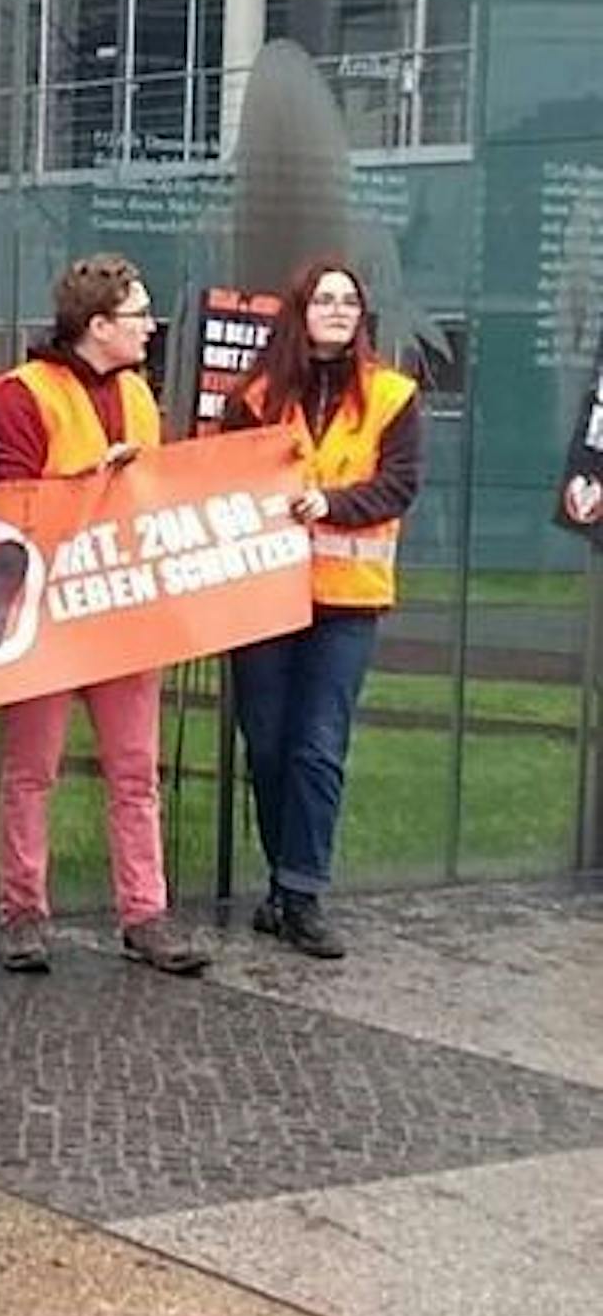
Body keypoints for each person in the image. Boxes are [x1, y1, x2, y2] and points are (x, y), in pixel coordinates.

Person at [0, 254, 210, 977]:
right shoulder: (21, 395)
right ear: (98, 325)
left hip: (121, 610)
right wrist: (86, 485)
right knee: (31, 770)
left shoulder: (140, 395)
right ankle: (22, 914)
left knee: (137, 770)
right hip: (48, 613)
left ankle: (145, 914)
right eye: (138, 314)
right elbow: (10, 506)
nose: (150, 326)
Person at [223, 258, 422, 959]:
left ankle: (302, 893)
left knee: (317, 748)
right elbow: (220, 480)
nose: (338, 310)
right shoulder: (254, 395)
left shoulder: (392, 396)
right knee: (270, 744)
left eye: (350, 301)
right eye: (325, 299)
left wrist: (330, 506)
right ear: (300, 311)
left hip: (345, 603)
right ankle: (282, 887)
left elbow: (398, 486)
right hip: (263, 596)